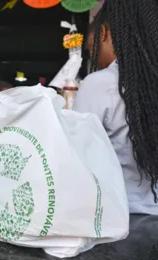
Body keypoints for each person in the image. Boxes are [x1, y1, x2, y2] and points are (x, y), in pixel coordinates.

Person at [73, 0, 158, 215]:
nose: (93, 56)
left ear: (103, 33)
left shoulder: (100, 84)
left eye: (91, 49)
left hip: (117, 219)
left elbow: (75, 157)